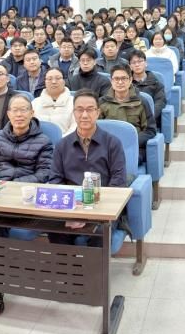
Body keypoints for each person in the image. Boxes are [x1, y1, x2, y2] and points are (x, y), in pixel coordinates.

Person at [0, 93, 57, 315]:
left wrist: (12, 185)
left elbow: (44, 174)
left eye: (23, 110)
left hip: (24, 200)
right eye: (15, 110)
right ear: (8, 114)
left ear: (32, 113)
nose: (19, 114)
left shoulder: (44, 141)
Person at [50, 90, 127, 246]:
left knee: (99, 234)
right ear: (73, 113)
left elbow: (118, 183)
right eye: (79, 110)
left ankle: (94, 264)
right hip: (71, 207)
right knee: (56, 232)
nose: (84, 115)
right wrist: (73, 212)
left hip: (104, 208)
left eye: (90, 109)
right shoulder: (62, 145)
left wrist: (91, 214)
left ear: (98, 112)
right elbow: (55, 180)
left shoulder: (112, 143)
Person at [99, 65, 157, 154]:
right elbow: (96, 128)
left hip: (133, 148)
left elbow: (150, 130)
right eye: (116, 79)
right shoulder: (102, 102)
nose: (120, 82)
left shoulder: (141, 101)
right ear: (111, 81)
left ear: (130, 80)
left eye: (124, 78)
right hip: (108, 147)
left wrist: (131, 141)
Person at [33, 68, 75, 134]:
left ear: (64, 81)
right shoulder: (35, 103)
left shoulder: (74, 102)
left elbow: (75, 126)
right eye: (49, 79)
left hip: (68, 139)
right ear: (45, 82)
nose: (54, 82)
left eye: (58, 78)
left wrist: (63, 139)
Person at [128, 51, 166, 122]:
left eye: (140, 61)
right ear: (130, 66)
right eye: (133, 62)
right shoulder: (126, 83)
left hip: (149, 120)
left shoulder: (156, 84)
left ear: (146, 63)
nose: (137, 65)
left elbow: (160, 103)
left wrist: (147, 117)